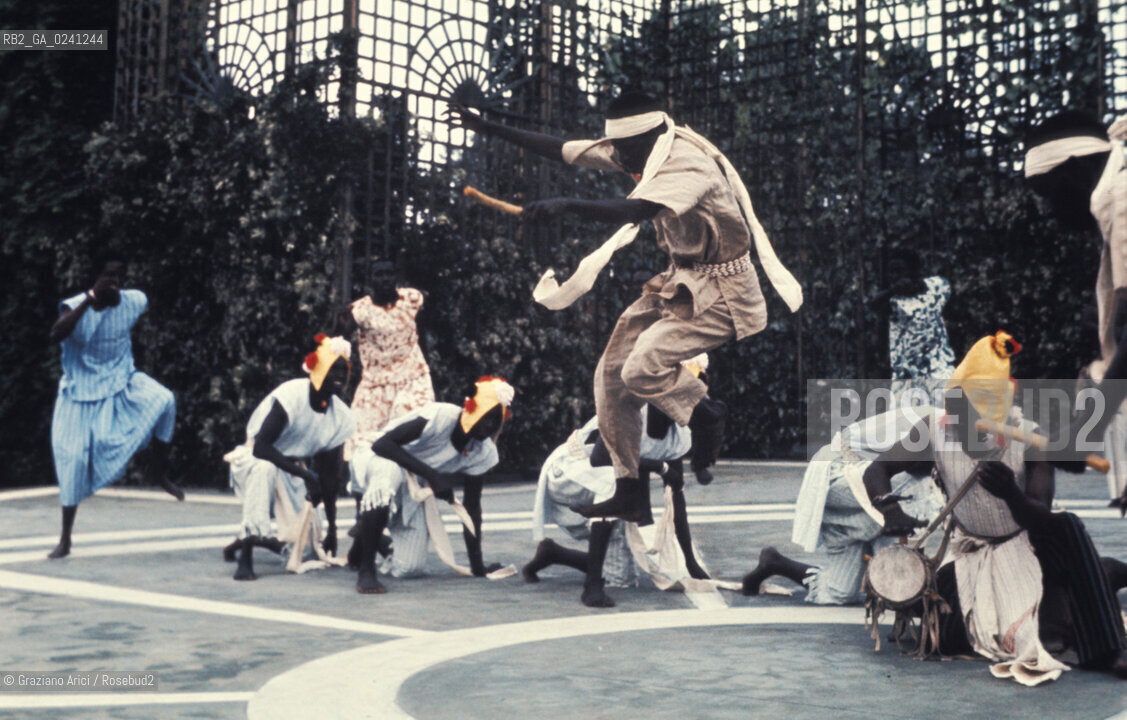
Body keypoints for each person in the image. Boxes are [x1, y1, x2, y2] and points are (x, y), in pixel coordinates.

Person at [447, 91, 801, 523]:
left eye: (628, 151)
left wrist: (567, 205)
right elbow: (562, 149)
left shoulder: (688, 162)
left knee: (641, 369)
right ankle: (629, 489)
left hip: (724, 292)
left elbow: (638, 206)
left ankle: (707, 413)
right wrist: (485, 126)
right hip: (681, 279)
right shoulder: (638, 146)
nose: (621, 160)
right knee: (611, 376)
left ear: (653, 136)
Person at [862, 333, 1127, 683]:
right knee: (943, 634)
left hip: (1025, 550)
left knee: (1067, 528)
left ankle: (1108, 650)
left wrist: (1011, 496)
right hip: (970, 553)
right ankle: (1102, 576)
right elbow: (876, 470)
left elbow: (1042, 520)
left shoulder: (1030, 436)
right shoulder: (931, 431)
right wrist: (889, 509)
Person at [524, 382, 714, 607]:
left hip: (604, 480)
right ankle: (592, 586)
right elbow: (600, 458)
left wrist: (690, 562)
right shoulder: (628, 409)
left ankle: (553, 553)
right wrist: (658, 467)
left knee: (622, 577)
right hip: (569, 471)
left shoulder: (678, 434)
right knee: (614, 481)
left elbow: (676, 496)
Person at [48, 254, 183, 559]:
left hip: (121, 381)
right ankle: (65, 538)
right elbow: (56, 333)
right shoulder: (76, 306)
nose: (115, 284)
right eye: (108, 278)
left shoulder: (134, 300)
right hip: (79, 393)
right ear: (95, 280)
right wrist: (90, 299)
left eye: (119, 279)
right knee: (73, 462)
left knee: (165, 401)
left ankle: (158, 472)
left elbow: (150, 297)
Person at [741, 404, 944, 604]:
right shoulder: (938, 424)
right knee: (922, 487)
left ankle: (774, 562)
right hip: (842, 473)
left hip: (865, 501)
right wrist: (890, 512)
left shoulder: (965, 433)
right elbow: (876, 471)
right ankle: (883, 545)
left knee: (839, 593)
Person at [1025, 112, 1127, 506]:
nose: (1051, 211)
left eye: (1048, 193)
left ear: (1072, 169)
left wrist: (1085, 429)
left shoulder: (1118, 198)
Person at [348, 376, 513, 594]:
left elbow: (472, 507)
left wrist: (477, 566)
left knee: (410, 567)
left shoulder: (483, 452)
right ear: (473, 408)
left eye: (496, 421)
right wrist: (432, 476)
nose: (490, 426)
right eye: (487, 417)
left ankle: (368, 536)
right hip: (376, 457)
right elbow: (382, 444)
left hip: (413, 480)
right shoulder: (442, 416)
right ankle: (366, 570)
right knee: (389, 474)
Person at [223, 335, 355, 581]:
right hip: (254, 460)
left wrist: (332, 531)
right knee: (264, 469)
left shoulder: (341, 417)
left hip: (292, 470)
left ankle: (242, 544)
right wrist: (306, 475)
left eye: (343, 369)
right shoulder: (292, 394)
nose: (339, 375)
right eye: (332, 368)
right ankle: (246, 556)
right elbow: (261, 447)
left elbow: (328, 475)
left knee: (305, 549)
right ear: (318, 368)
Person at [338, 259, 435, 463]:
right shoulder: (359, 311)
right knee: (361, 440)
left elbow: (421, 334)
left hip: (412, 378)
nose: (384, 279)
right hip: (375, 383)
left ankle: (416, 485)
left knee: (411, 432)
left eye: (388, 274)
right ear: (370, 279)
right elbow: (338, 342)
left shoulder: (412, 299)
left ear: (395, 277)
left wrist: (426, 368)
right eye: (378, 274)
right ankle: (364, 489)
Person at [870, 248, 956, 401]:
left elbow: (952, 309)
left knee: (943, 418)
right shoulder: (893, 301)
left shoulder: (938, 287)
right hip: (906, 376)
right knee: (903, 423)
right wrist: (893, 290)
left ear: (914, 272)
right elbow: (873, 305)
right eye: (891, 272)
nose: (894, 277)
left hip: (939, 369)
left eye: (900, 271)